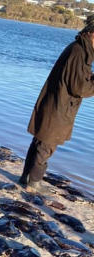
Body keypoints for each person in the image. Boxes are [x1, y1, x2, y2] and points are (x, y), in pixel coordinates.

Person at [20, 15, 94, 192]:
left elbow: (78, 80)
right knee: (47, 143)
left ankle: (27, 178)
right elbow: (80, 88)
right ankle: (33, 183)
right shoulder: (79, 51)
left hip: (58, 103)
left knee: (41, 141)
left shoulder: (81, 50)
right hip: (58, 106)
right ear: (91, 33)